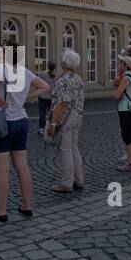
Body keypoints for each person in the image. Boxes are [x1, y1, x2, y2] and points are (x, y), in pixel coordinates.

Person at [0, 58, 35, 223]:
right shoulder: (25, 72)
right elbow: (45, 87)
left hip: (3, 121)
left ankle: (2, 211)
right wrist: (25, 99)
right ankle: (27, 206)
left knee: (2, 169)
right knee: (22, 166)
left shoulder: (0, 67)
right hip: (21, 120)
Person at [47, 49, 87, 195]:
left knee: (65, 151)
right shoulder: (78, 79)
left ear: (64, 63)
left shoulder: (64, 80)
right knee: (74, 149)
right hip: (77, 117)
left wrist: (53, 124)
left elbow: (62, 104)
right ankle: (79, 179)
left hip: (66, 120)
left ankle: (66, 183)